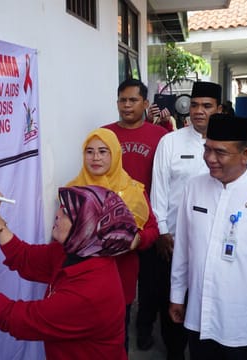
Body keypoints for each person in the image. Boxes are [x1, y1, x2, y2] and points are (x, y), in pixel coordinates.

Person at [0, 185, 139, 360]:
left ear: (88, 227)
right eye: (61, 207)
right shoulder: (76, 251)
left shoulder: (91, 291)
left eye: (66, 213)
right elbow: (25, 257)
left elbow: (19, 320)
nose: (57, 214)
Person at [169, 113, 247, 359]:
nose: (210, 159)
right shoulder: (193, 188)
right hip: (200, 316)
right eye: (207, 149)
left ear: (246, 155)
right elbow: (184, 247)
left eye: (220, 152)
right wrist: (177, 294)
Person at [66, 127, 159, 353]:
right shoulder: (72, 190)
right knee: (84, 343)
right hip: (83, 280)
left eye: (103, 151)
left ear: (115, 154)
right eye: (89, 151)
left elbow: (152, 229)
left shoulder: (134, 190)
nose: (95, 157)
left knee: (117, 340)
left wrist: (137, 241)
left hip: (120, 277)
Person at [150, 81, 222, 358]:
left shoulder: (226, 146)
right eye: (194, 105)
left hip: (213, 241)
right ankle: (174, 352)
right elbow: (159, 189)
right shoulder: (170, 142)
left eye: (206, 106)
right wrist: (161, 231)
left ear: (219, 108)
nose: (199, 111)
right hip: (174, 241)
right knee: (173, 301)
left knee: (208, 301)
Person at [102, 79, 170, 353]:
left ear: (145, 103)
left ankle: (144, 330)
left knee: (150, 285)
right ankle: (119, 338)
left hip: (149, 224)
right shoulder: (105, 135)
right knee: (117, 286)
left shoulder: (160, 136)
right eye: (122, 100)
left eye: (132, 100)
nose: (127, 105)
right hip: (114, 225)